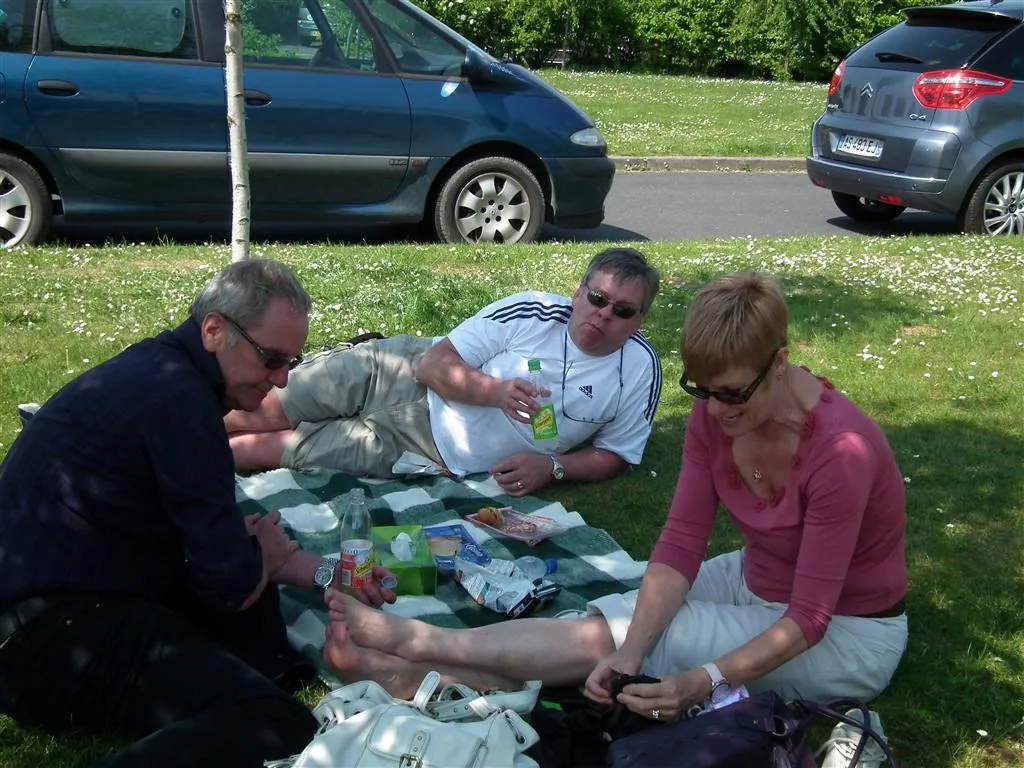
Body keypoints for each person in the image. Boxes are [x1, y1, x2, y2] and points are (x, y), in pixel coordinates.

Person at [319, 271, 909, 724]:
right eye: (701, 390)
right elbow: (682, 540)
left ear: (779, 364)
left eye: (732, 394)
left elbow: (811, 618)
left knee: (629, 638)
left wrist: (705, 679)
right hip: (756, 580)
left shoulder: (841, 452)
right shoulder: (717, 410)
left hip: (848, 633)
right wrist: (637, 648)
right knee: (617, 625)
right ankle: (419, 673)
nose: (715, 411)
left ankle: (420, 645)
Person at [0, 259, 395, 768]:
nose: (280, 380)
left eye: (290, 362)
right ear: (214, 330)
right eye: (271, 359)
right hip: (49, 638)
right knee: (276, 723)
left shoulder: (162, 372)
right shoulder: (181, 405)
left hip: (63, 600)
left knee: (250, 589)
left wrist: (330, 573)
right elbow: (230, 584)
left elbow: (226, 551)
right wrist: (257, 560)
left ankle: (260, 672)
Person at [225, 247, 663, 497]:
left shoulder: (639, 370)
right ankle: (184, 421)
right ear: (578, 292)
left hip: (425, 449)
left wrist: (553, 467)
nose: (604, 314)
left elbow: (616, 455)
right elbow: (432, 365)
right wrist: (496, 392)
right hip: (394, 372)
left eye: (623, 310)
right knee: (256, 410)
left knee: (259, 451)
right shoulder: (533, 312)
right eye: (597, 298)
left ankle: (189, 465)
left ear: (640, 319)